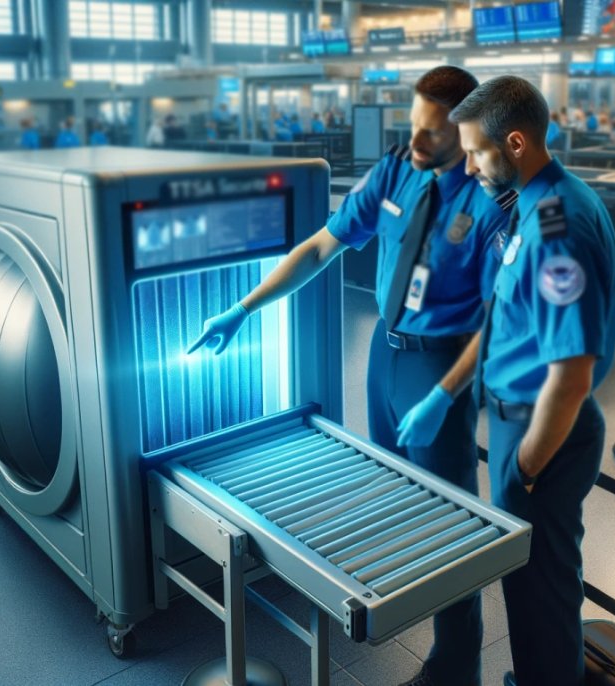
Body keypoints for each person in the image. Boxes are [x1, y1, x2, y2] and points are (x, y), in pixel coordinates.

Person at [188, 66, 510, 686]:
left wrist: (449, 394)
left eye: (433, 132)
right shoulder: (392, 171)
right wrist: (244, 309)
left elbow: (501, 320)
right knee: (392, 493)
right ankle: (394, 614)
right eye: (412, 126)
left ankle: (456, 663)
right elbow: (320, 247)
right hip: (384, 356)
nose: (416, 142)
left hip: (440, 363)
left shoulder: (488, 202)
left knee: (448, 518)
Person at [449, 75, 615, 686]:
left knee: (539, 591)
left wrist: (523, 467)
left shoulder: (556, 227)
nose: (468, 166)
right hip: (525, 421)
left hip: (543, 433)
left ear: (515, 143)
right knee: (534, 588)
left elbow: (571, 376)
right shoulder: (536, 202)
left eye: (475, 151)